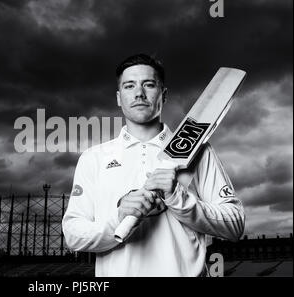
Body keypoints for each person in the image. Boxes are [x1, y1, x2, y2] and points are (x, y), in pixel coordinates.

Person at [62, 53, 245, 277]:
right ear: (119, 98)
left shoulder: (199, 152)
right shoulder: (94, 158)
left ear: (163, 94)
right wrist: (118, 219)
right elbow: (73, 234)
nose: (139, 93)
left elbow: (235, 224)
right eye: (129, 86)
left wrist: (179, 199)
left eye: (149, 84)